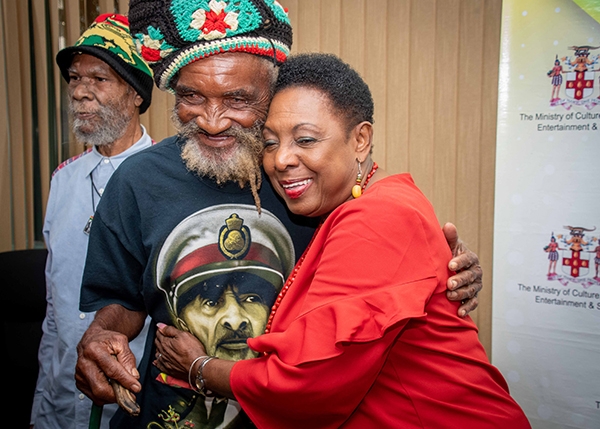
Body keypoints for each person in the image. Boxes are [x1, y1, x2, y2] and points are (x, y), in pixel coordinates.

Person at [74, 1, 483, 428]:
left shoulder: (306, 182)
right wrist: (104, 332)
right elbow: (122, 295)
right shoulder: (138, 180)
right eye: (192, 96)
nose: (212, 121)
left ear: (271, 98)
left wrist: (446, 270)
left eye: (237, 98)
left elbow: (382, 257)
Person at [155, 52, 531, 428]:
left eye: (305, 139)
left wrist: (199, 368)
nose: (282, 159)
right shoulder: (358, 206)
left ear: (361, 140)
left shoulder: (378, 217)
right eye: (269, 143)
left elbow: (306, 386)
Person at [31, 13, 154, 429]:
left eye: (99, 79)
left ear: (136, 92)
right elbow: (55, 307)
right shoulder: (62, 180)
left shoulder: (165, 181)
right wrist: (43, 404)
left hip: (139, 399)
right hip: (63, 397)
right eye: (74, 79)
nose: (80, 92)